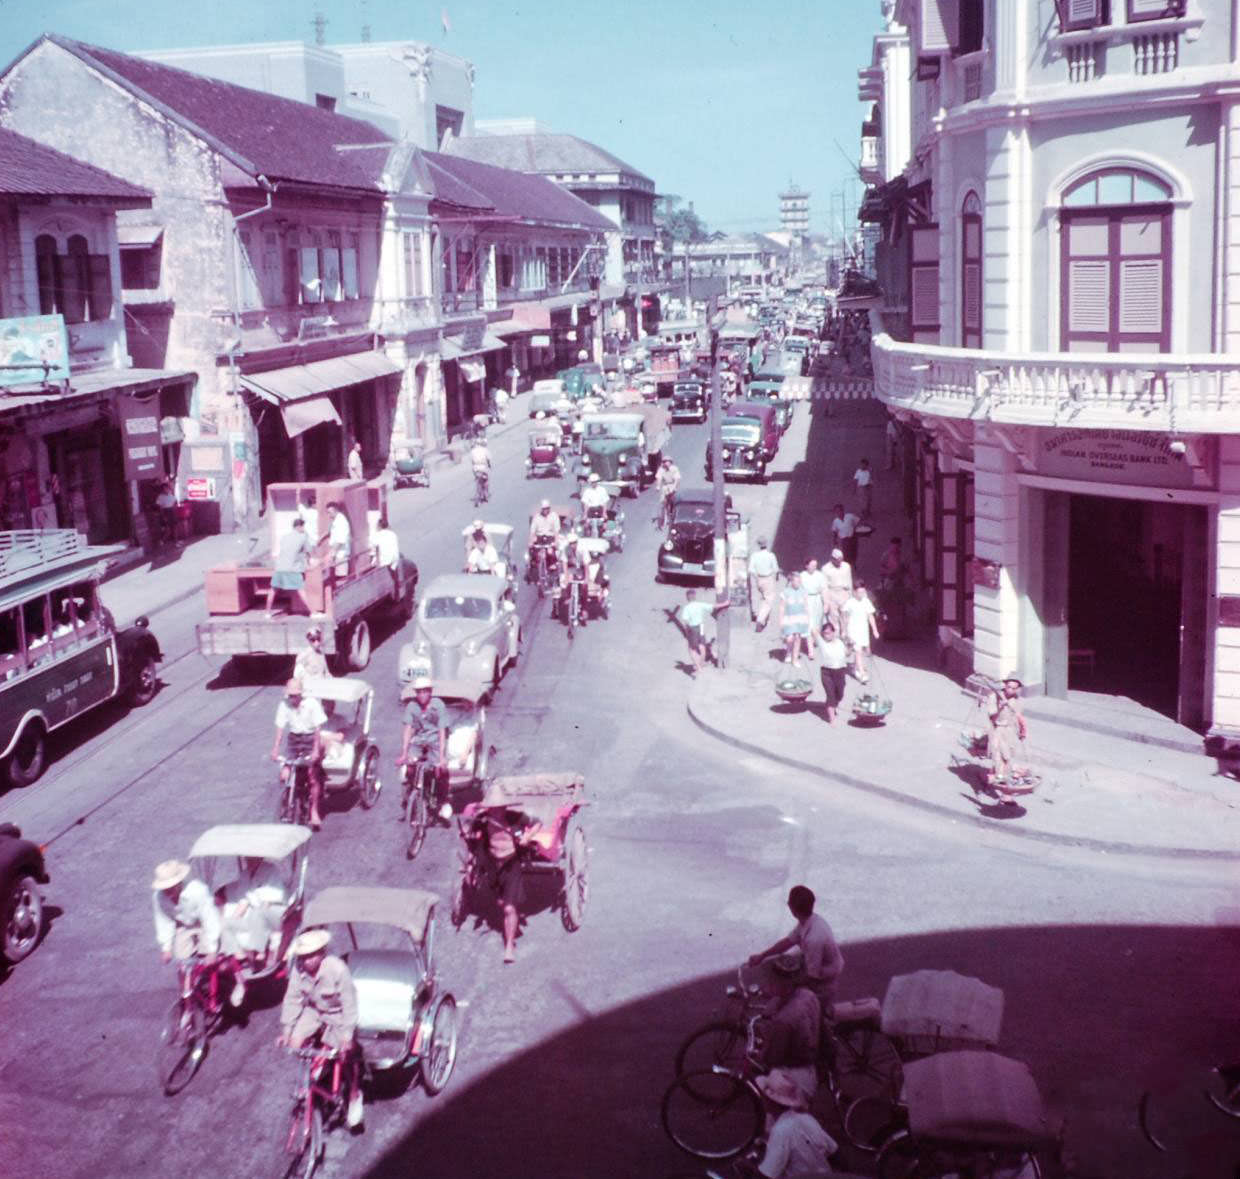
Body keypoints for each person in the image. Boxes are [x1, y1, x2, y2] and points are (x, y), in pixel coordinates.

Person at [278, 929, 363, 1129]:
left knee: (344, 1054)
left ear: (322, 953)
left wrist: (346, 1036)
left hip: (338, 1013)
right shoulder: (299, 971)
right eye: (303, 956)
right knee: (295, 1044)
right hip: (314, 1011)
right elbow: (292, 1000)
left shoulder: (337, 969)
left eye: (311, 955)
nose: (306, 961)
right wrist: (286, 1030)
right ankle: (308, 1079)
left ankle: (354, 1094)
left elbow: (349, 1005)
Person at [749, 884, 845, 1011]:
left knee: (801, 1017)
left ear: (792, 908)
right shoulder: (809, 921)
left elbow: (812, 977)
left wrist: (781, 991)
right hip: (817, 968)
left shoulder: (814, 938)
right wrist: (762, 956)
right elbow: (788, 942)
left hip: (823, 983)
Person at [475, 798, 543, 963]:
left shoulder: (515, 817)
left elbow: (538, 823)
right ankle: (510, 919)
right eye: (492, 808)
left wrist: (528, 836)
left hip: (512, 864)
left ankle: (509, 947)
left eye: (498, 808)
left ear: (504, 807)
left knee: (509, 908)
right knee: (501, 903)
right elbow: (474, 834)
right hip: (493, 866)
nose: (495, 811)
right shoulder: (484, 819)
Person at [219, 856, 287, 1001]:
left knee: (257, 915)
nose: (248, 860)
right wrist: (231, 920)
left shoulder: (271, 870)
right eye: (246, 858)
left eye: (252, 857)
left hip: (273, 913)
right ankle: (240, 959)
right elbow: (243, 903)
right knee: (226, 924)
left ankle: (258, 954)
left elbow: (268, 903)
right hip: (255, 913)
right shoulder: (245, 874)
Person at [758, 950, 821, 1104]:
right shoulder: (808, 995)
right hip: (812, 1065)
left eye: (772, 981)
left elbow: (773, 1058)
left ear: (781, 983)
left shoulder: (784, 1020)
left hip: (794, 1078)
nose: (768, 984)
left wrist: (760, 1055)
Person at [751, 1069, 839, 1179]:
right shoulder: (806, 1118)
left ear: (771, 1101)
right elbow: (834, 1151)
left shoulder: (781, 1131)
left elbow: (766, 1175)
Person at [271, 677, 329, 830]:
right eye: (289, 695)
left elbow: (318, 730)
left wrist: (316, 750)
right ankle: (290, 799)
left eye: (294, 695)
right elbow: (280, 728)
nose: (292, 698)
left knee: (312, 777)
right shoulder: (284, 705)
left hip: (310, 740)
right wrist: (275, 748)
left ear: (301, 694)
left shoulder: (312, 704)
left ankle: (314, 810)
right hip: (294, 741)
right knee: (285, 774)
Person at [152, 859, 221, 972]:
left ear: (179, 882)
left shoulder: (198, 890)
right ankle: (187, 988)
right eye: (164, 888)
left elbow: (210, 919)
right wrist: (166, 948)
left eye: (170, 887)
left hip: (203, 924)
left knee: (209, 959)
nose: (167, 891)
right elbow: (163, 921)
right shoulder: (158, 897)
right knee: (182, 961)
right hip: (184, 926)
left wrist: (212, 951)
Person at [397, 675, 450, 820]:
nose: (421, 695)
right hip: (419, 740)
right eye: (418, 692)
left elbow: (441, 731)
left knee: (440, 770)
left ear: (430, 691)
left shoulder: (438, 705)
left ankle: (444, 800)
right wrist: (404, 753)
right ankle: (408, 800)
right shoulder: (412, 706)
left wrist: (441, 757)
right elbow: (408, 729)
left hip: (435, 740)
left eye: (424, 691)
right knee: (410, 767)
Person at [987, 673, 1028, 802]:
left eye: (1015, 688)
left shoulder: (1017, 700)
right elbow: (992, 716)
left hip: (1011, 732)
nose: (1011, 690)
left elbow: (1018, 717)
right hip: (998, 730)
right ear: (1005, 685)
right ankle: (1005, 795)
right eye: (1009, 687)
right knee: (1001, 759)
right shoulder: (994, 697)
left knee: (1009, 759)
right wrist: (1000, 707)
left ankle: (997, 782)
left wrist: (1022, 731)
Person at [266, 516, 314, 618]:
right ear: (300, 527)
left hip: (279, 567)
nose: (304, 529)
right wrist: (309, 561)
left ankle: (267, 613)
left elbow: (287, 550)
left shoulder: (284, 537)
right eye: (303, 527)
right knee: (301, 589)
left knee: (273, 589)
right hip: (292, 568)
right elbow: (309, 551)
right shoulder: (303, 537)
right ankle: (314, 612)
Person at [678, 588, 725, 677]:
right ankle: (701, 663)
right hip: (701, 626)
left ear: (687, 598)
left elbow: (685, 621)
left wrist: (687, 631)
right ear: (695, 596)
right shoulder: (700, 605)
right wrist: (725, 603)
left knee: (691, 648)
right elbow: (713, 606)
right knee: (702, 646)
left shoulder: (687, 608)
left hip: (693, 627)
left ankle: (698, 667)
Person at [842, 581, 880, 684]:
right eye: (859, 592)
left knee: (861, 651)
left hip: (863, 630)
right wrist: (844, 631)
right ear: (854, 592)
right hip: (853, 630)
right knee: (858, 651)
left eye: (863, 592)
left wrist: (875, 630)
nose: (861, 594)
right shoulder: (850, 602)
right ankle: (862, 673)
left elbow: (870, 616)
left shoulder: (866, 601)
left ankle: (855, 668)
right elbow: (845, 618)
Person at [811, 620, 848, 724]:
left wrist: (850, 647)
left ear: (833, 632)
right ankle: (832, 719)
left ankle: (831, 705)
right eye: (824, 633)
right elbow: (813, 630)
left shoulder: (840, 642)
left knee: (840, 694)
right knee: (830, 694)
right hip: (827, 672)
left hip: (840, 671)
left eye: (828, 633)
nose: (826, 635)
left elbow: (847, 654)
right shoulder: (821, 642)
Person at [774, 572, 810, 668]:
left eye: (799, 581)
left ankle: (795, 659)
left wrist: (807, 617)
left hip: (800, 617)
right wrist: (780, 620)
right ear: (791, 581)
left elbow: (806, 606)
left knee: (798, 637)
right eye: (796, 581)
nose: (798, 583)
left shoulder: (803, 592)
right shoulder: (785, 592)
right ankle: (789, 652)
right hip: (789, 618)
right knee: (790, 638)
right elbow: (782, 607)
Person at [749, 538, 780, 630]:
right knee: (769, 600)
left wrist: (756, 577)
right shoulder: (771, 556)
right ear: (767, 545)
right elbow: (775, 569)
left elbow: (751, 569)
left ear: (758, 545)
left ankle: (762, 616)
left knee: (761, 598)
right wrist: (776, 577)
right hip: (768, 578)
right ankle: (761, 619)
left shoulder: (754, 556)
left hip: (758, 578)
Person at [822, 549, 853, 631]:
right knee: (833, 617)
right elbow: (824, 587)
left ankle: (845, 635)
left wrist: (850, 596)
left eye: (841, 559)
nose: (840, 562)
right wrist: (826, 601)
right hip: (832, 593)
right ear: (832, 559)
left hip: (844, 593)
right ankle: (835, 637)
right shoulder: (825, 569)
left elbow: (849, 581)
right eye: (837, 560)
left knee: (845, 616)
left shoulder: (846, 566)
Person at [800, 559, 826, 658]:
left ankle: (815, 640)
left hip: (817, 600)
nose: (814, 567)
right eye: (812, 565)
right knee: (809, 624)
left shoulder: (820, 575)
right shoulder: (802, 575)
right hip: (806, 600)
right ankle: (810, 650)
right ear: (806, 566)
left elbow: (824, 589)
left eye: (815, 566)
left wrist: (826, 603)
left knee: (817, 623)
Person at [323, 502, 352, 578]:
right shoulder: (335, 520)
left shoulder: (341, 522)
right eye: (327, 513)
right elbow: (329, 532)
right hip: (336, 553)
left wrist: (331, 554)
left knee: (341, 577)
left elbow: (340, 541)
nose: (328, 515)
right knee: (335, 576)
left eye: (329, 512)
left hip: (341, 554)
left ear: (335, 511)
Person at [373, 514, 400, 592]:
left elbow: (373, 545)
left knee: (373, 565)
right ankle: (396, 587)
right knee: (393, 572)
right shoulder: (393, 534)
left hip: (385, 558)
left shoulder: (378, 535)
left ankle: (380, 587)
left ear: (379, 526)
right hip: (395, 557)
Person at [830, 503, 859, 568]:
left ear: (843, 510)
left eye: (840, 511)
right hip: (844, 540)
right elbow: (834, 532)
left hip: (853, 538)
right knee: (845, 554)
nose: (838, 513)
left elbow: (858, 522)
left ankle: (853, 565)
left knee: (854, 553)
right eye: (836, 511)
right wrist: (834, 541)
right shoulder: (835, 521)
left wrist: (858, 531)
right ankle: (847, 566)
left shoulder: (850, 516)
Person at [655, 456, 681, 528]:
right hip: (665, 486)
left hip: (672, 485)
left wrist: (674, 487)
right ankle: (662, 519)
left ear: (670, 462)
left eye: (667, 461)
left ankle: (674, 514)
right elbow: (659, 478)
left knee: (674, 501)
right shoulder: (661, 470)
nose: (665, 463)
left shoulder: (674, 469)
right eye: (664, 461)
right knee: (663, 502)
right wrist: (658, 486)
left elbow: (677, 479)